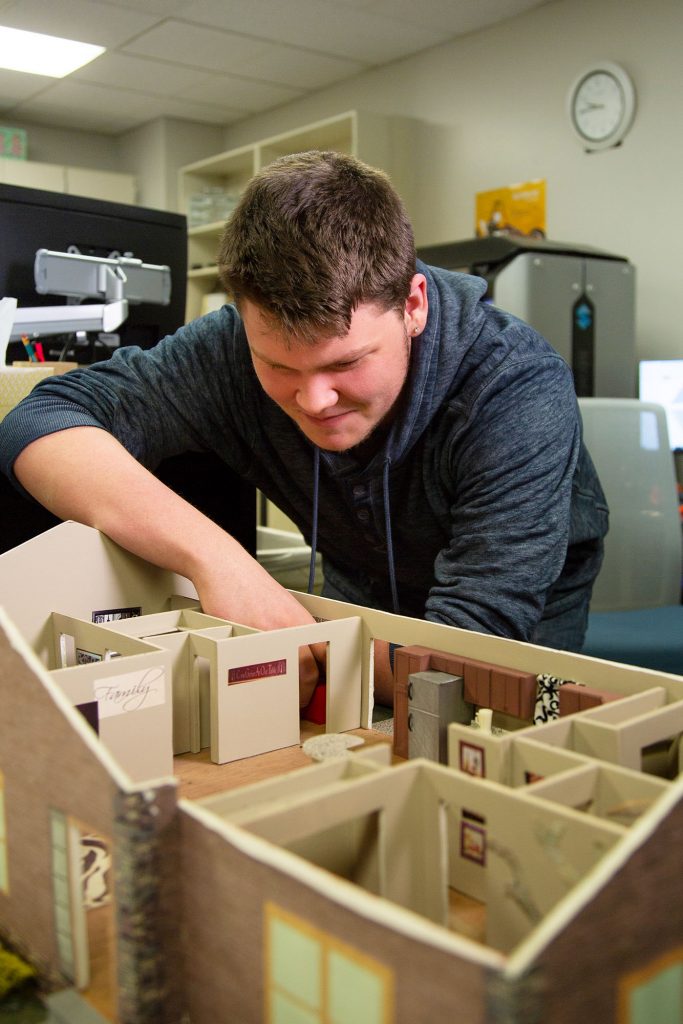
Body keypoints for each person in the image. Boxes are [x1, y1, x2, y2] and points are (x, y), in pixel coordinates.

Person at [0, 150, 608, 707]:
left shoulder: (515, 386)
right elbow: (41, 421)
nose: (314, 401)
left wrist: (301, 649)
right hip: (358, 590)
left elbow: (472, 648)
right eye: (278, 366)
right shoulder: (227, 350)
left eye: (346, 363)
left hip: (512, 622)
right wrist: (218, 561)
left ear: (414, 305)